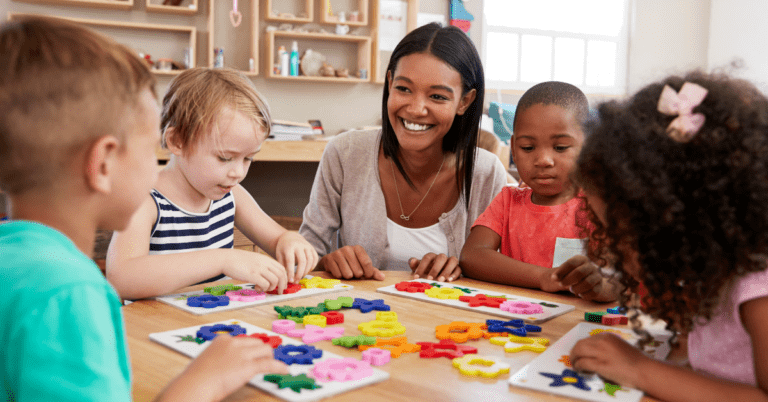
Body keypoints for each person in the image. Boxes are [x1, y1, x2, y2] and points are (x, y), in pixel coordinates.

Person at [0, 16, 288, 402]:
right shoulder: (68, 293)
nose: (156, 167)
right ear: (103, 163)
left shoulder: (13, 259)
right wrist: (206, 380)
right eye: (148, 149)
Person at [568, 72, 768, 400]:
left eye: (618, 232)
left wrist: (640, 369)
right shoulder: (714, 274)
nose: (610, 248)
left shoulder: (758, 287)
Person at [299, 23, 507, 283]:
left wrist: (461, 272)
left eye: (438, 97)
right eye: (404, 89)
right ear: (389, 83)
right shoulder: (345, 153)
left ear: (464, 101)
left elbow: (499, 276)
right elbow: (306, 254)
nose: (416, 108)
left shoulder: (486, 173)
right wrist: (326, 262)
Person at [107, 68, 318, 300]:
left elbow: (277, 238)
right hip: (151, 329)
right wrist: (222, 259)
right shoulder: (145, 200)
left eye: (248, 158)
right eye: (224, 158)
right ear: (177, 141)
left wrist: (291, 241)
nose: (238, 172)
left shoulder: (232, 195)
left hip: (213, 326)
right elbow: (121, 279)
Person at [461, 81, 618, 302]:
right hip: (514, 319)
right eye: (528, 148)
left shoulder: (598, 205)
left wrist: (599, 287)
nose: (543, 160)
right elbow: (471, 256)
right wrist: (543, 277)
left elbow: (619, 281)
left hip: (582, 320)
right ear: (514, 148)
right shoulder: (508, 200)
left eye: (560, 148)